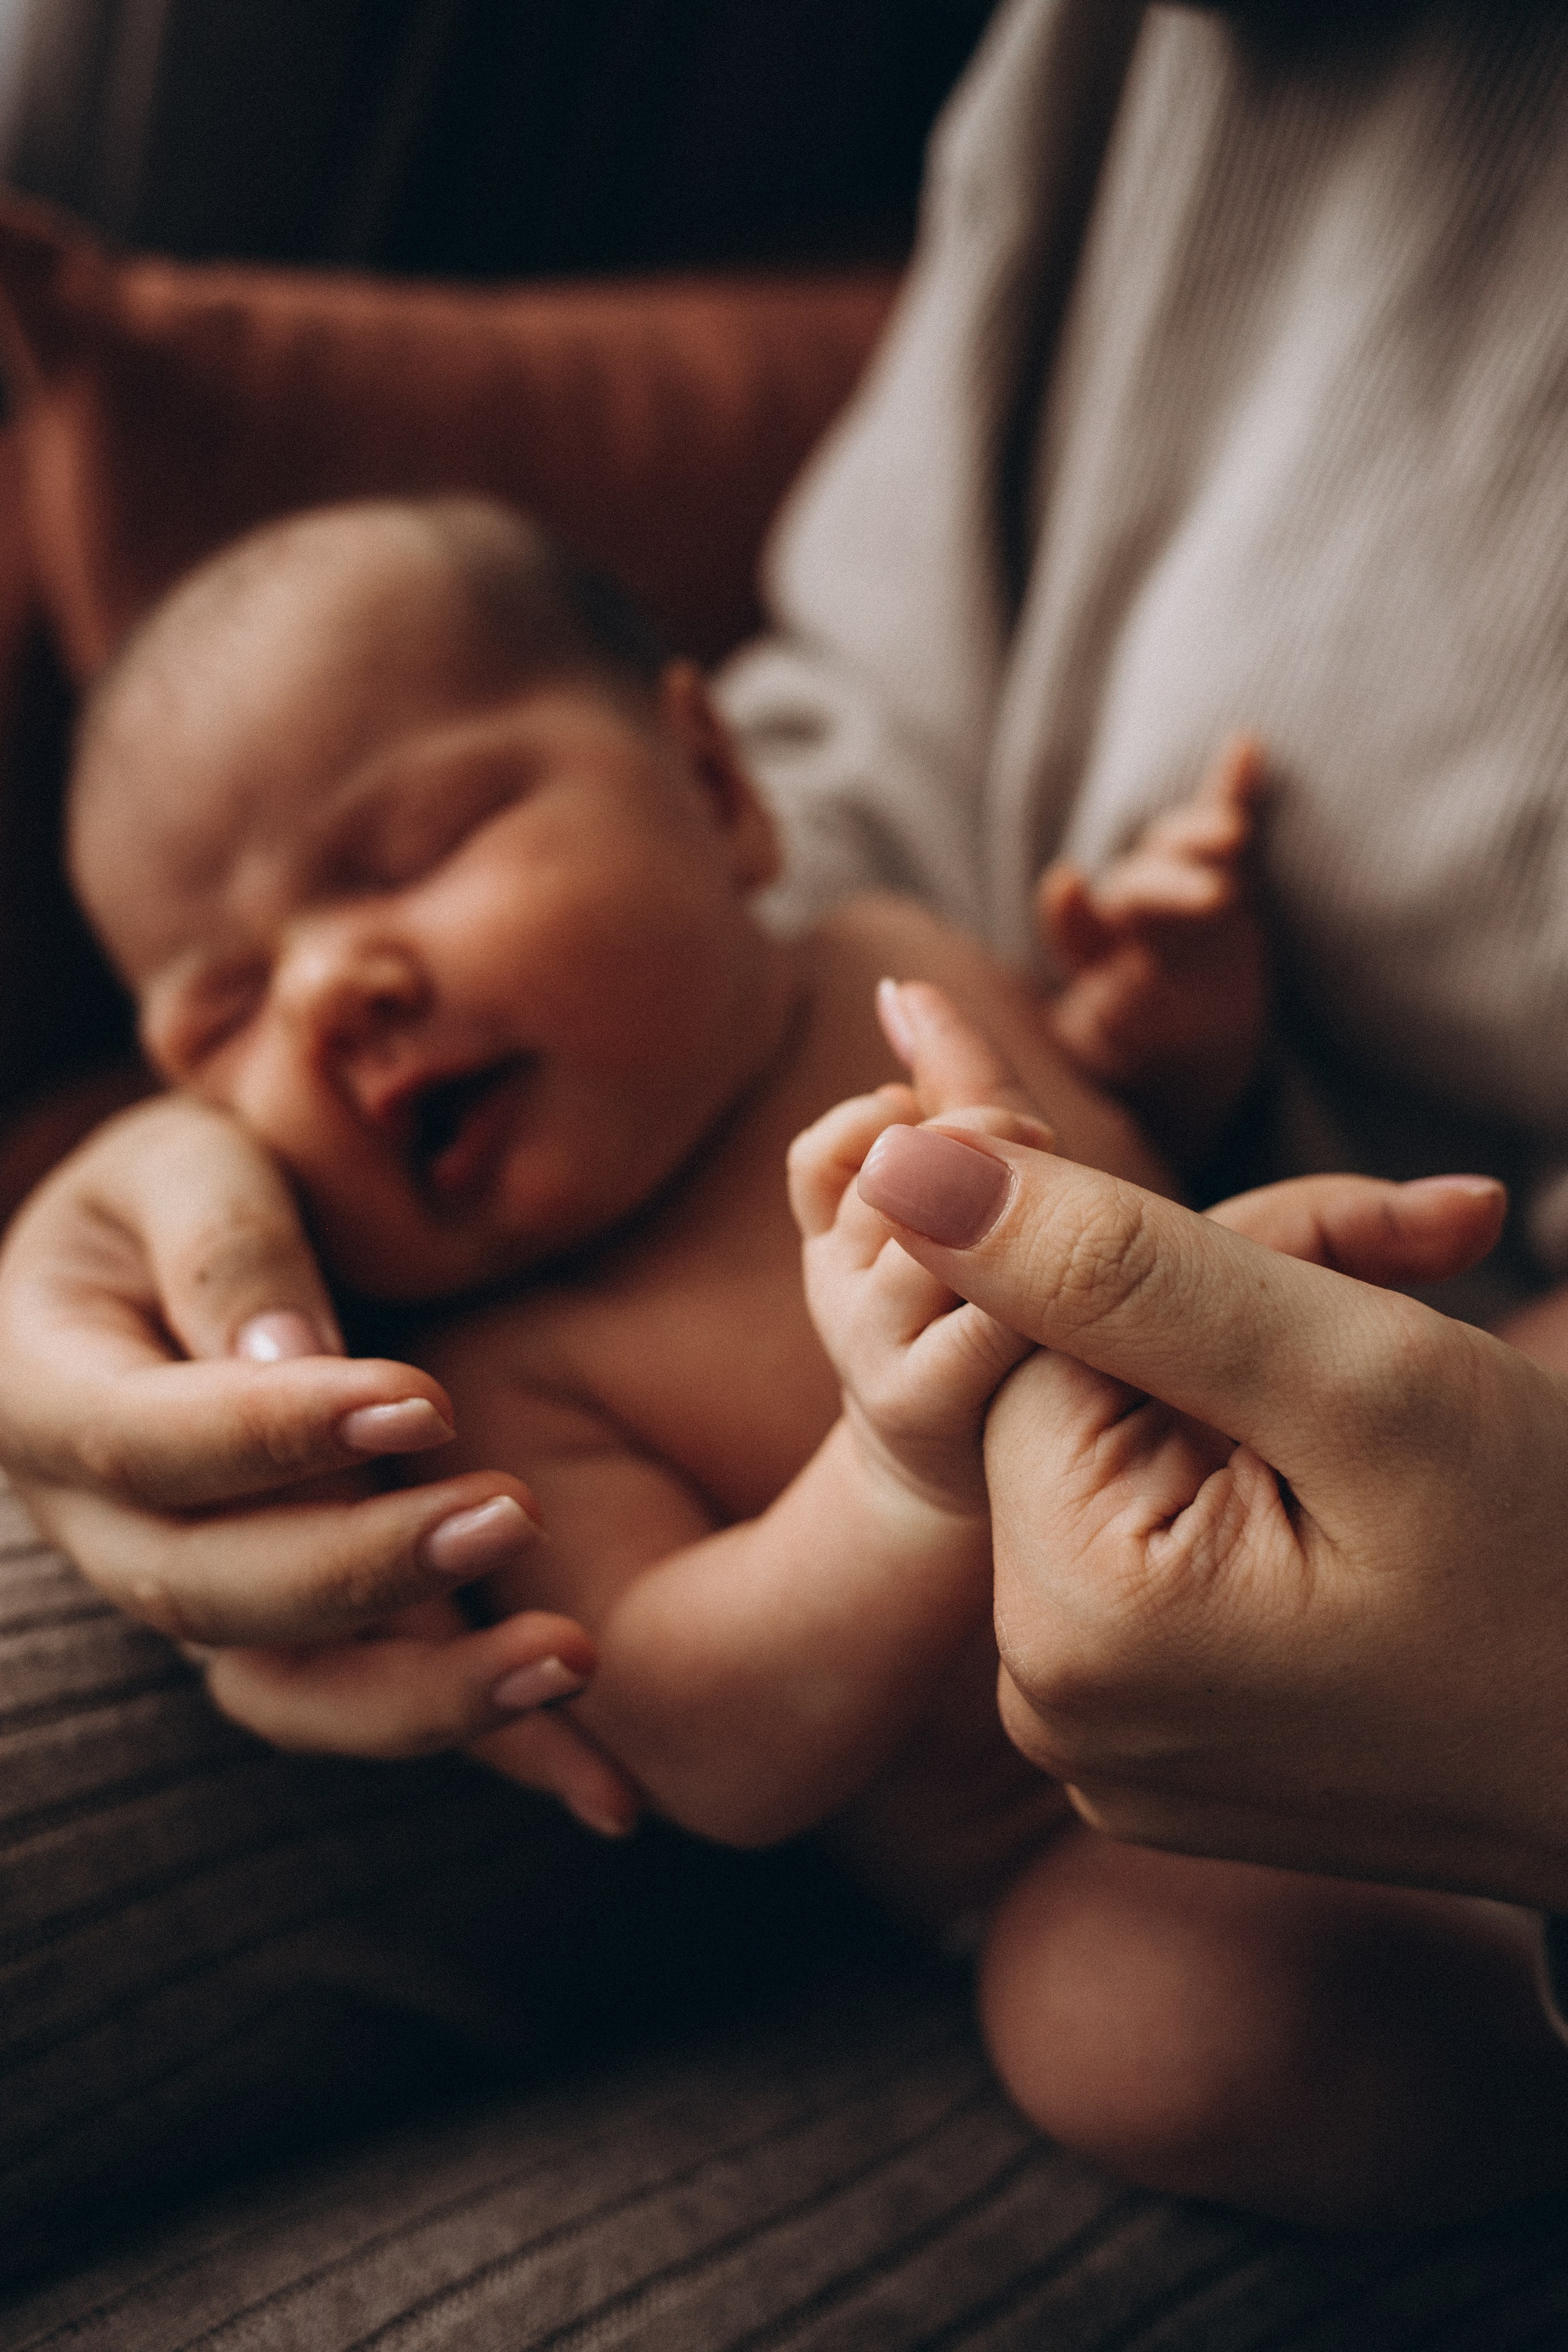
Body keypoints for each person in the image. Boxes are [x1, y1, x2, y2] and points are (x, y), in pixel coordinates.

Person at [8, 0, 1568, 2323]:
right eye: (210, 1011)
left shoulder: (881, 954)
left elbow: (1168, 1171)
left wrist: (1154, 1055)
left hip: (1463, 1535)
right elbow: (696, 1730)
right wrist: (900, 1473)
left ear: (714, 799)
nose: (325, 995)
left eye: (414, 846)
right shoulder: (510, 1371)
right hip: (1076, 1831)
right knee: (1139, 2025)